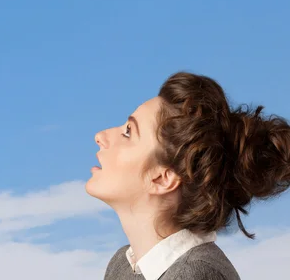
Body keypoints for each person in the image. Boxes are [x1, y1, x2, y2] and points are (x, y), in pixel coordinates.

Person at [86, 71, 290, 279]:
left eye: (128, 132)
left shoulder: (196, 274)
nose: (100, 136)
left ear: (162, 179)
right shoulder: (122, 266)